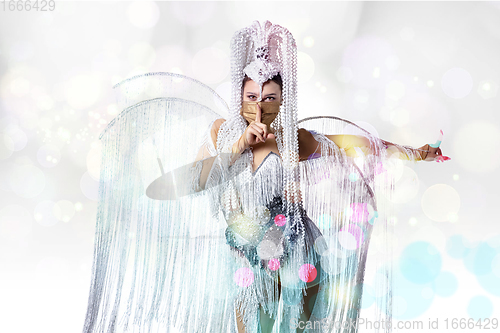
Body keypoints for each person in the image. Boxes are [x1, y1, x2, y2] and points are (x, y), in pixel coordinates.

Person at [82, 20, 448, 333]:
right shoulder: (220, 133)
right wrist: (239, 146)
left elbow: (356, 144)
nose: (260, 106)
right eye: (252, 95)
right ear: (240, 96)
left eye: (270, 97)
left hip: (295, 245)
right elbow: (191, 182)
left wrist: (414, 152)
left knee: (297, 323)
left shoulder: (293, 139)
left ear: (282, 101)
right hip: (244, 248)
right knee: (250, 319)